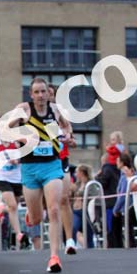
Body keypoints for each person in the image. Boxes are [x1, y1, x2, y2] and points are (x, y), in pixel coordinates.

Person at [10, 77, 73, 272]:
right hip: (30, 168)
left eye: (43, 91)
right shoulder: (25, 109)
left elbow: (67, 126)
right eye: (36, 92)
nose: (40, 95)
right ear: (31, 95)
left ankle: (54, 257)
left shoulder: (55, 110)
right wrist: (22, 137)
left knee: (54, 210)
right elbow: (4, 128)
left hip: (52, 166)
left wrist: (67, 136)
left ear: (48, 92)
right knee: (37, 218)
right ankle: (32, 215)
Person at [49, 85, 78, 255]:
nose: (49, 97)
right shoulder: (38, 116)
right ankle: (55, 239)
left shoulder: (63, 116)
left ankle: (69, 240)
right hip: (45, 162)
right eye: (47, 94)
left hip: (61, 159)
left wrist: (68, 141)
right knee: (52, 204)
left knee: (64, 199)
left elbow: (73, 140)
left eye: (52, 95)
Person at [0, 137, 24, 249]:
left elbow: (23, 157)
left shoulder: (17, 142)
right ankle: (19, 233)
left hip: (17, 179)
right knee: (13, 206)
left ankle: (0, 211)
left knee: (14, 206)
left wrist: (17, 159)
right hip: (3, 178)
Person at [111, 152, 135, 247]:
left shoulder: (124, 175)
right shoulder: (125, 174)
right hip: (126, 206)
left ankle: (119, 246)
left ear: (122, 162)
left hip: (126, 206)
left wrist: (116, 209)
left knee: (118, 225)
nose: (116, 163)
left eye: (118, 161)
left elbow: (123, 194)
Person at [72, 164, 95, 248]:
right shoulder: (77, 184)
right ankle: (72, 246)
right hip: (76, 211)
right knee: (74, 228)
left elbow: (93, 195)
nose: (75, 174)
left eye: (76, 172)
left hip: (86, 211)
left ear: (81, 173)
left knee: (89, 235)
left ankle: (91, 250)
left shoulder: (91, 184)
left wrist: (81, 194)